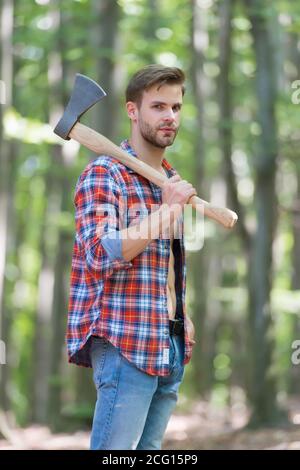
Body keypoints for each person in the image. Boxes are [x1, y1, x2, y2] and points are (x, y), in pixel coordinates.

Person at [66, 64, 197, 450]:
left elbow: (166, 263)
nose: (169, 116)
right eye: (158, 106)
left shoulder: (169, 181)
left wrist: (182, 316)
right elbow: (99, 254)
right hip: (125, 342)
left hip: (167, 341)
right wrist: (166, 213)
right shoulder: (105, 174)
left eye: (176, 107)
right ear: (132, 111)